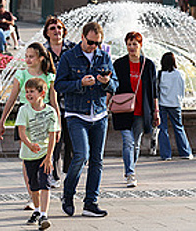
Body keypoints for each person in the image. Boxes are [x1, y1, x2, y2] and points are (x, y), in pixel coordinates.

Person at [54, 22, 118, 218]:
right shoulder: (69, 56)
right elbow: (59, 85)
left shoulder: (104, 56)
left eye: (97, 43)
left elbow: (115, 85)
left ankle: (91, 202)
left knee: (97, 160)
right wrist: (79, 83)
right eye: (90, 42)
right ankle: (68, 194)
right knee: (81, 155)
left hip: (99, 114)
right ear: (82, 37)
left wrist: (107, 83)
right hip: (76, 113)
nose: (93, 46)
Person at [0, 42, 59, 210]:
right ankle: (33, 195)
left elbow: (54, 102)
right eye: (26, 56)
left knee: (44, 156)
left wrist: (58, 124)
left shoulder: (49, 76)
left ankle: (42, 191)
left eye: (31, 56)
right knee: (27, 159)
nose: (28, 59)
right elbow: (11, 99)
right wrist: (2, 120)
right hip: (26, 118)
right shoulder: (21, 74)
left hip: (45, 118)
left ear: (41, 58)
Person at [111, 32, 159, 188]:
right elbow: (113, 86)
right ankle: (130, 174)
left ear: (140, 45)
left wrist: (156, 111)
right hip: (123, 109)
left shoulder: (149, 65)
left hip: (141, 110)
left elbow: (154, 90)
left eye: (134, 44)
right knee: (128, 142)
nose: (131, 47)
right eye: (129, 44)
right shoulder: (119, 64)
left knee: (136, 144)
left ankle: (130, 168)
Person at [17, 78, 59, 230]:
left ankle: (44, 214)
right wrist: (29, 144)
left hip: (44, 154)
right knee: (33, 186)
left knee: (45, 184)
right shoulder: (24, 110)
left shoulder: (50, 112)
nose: (28, 94)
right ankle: (36, 209)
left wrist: (49, 157)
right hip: (29, 154)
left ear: (42, 93)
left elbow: (53, 135)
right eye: (27, 91)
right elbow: (21, 131)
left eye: (32, 91)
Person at [42, 16, 76, 188]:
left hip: (70, 101)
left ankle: (69, 172)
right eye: (53, 28)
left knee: (70, 140)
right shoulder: (43, 51)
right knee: (54, 139)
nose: (57, 31)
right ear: (47, 33)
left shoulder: (72, 48)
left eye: (60, 28)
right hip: (49, 103)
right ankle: (53, 174)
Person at [157, 52, 193, 161]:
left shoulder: (160, 74)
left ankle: (166, 154)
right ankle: (185, 152)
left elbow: (157, 90)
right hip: (175, 103)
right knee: (178, 127)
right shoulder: (179, 73)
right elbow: (182, 88)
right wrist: (180, 100)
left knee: (163, 129)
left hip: (163, 103)